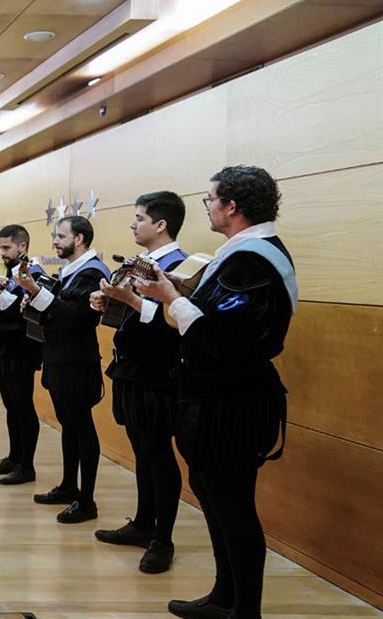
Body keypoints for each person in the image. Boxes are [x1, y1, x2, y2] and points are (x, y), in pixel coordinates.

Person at [137, 166, 295, 619]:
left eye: (210, 199)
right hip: (218, 398)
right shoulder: (243, 252)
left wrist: (171, 298)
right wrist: (170, 297)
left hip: (234, 403)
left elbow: (224, 338)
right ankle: (224, 596)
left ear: (232, 206)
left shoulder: (255, 259)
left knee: (235, 508)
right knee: (213, 495)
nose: (206, 206)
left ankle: (245, 611)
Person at [90, 192, 188, 574]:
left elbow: (174, 323)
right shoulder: (143, 264)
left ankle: (163, 539)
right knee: (142, 453)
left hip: (158, 374)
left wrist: (129, 301)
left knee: (159, 455)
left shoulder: (178, 266)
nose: (133, 224)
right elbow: (136, 312)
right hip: (131, 369)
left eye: (139, 218)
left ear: (160, 225)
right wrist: (110, 302)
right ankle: (144, 523)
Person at [17, 216, 111, 524]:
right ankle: (70, 486)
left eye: (61, 236)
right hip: (60, 358)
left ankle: (87, 500)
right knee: (68, 427)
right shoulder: (71, 271)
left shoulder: (93, 271)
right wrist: (33, 301)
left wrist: (37, 292)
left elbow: (76, 316)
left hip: (77, 362)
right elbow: (55, 312)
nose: (55, 241)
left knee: (82, 428)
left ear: (80, 239)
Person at [0, 225, 44, 486]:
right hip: (3, 344)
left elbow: (26, 309)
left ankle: (27, 466)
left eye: (7, 248)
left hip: (21, 347)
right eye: (0, 247)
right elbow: (1, 302)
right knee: (11, 405)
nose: (2, 252)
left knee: (23, 406)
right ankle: (14, 457)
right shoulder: (8, 271)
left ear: (22, 246)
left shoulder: (33, 273)